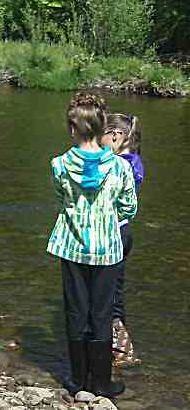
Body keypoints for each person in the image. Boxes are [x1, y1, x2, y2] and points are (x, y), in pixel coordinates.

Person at [47, 93, 137, 399]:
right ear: (101, 128)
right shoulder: (121, 167)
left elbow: (61, 199)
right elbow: (128, 208)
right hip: (107, 248)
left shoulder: (59, 164)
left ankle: (78, 381)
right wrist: (106, 221)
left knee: (76, 311)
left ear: (73, 129)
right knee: (101, 314)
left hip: (71, 246)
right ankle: (101, 384)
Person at [100, 113, 144, 368]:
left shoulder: (124, 164)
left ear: (117, 135)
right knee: (114, 290)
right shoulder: (133, 161)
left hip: (115, 233)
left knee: (111, 293)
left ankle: (122, 348)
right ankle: (115, 345)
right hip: (121, 231)